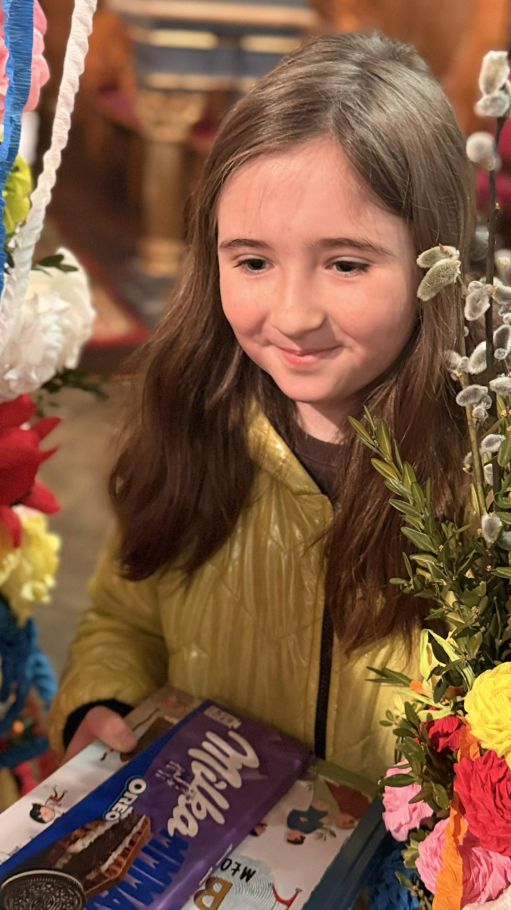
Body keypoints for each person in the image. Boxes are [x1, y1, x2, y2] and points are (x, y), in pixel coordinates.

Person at [49, 31, 473, 784]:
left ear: (433, 260)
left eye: (346, 263)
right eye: (252, 260)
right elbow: (126, 616)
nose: (292, 315)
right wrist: (103, 701)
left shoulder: (481, 484)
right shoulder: (191, 421)